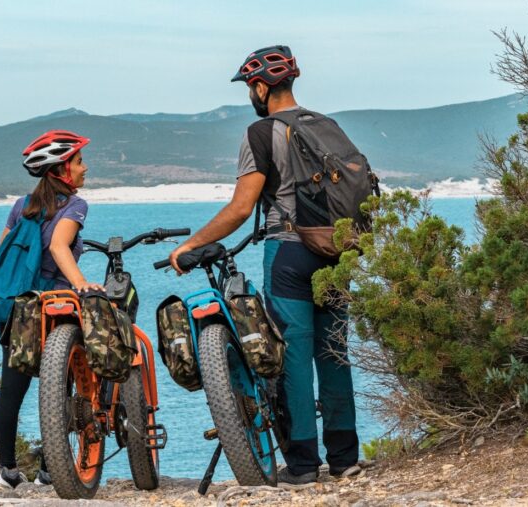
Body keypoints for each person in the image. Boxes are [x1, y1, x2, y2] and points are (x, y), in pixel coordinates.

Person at [167, 45, 360, 485]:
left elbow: (240, 209)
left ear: (259, 87)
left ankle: (304, 466)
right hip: (337, 253)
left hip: (290, 253)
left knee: (290, 357)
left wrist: (190, 246)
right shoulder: (327, 126)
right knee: (333, 355)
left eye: (250, 88)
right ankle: (345, 458)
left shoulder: (262, 133)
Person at [0, 130, 104, 488]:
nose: (85, 168)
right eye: (79, 162)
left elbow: (3, 252)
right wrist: (82, 284)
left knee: (12, 389)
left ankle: (6, 472)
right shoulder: (75, 205)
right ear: (61, 169)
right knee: (64, 387)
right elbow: (58, 246)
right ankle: (48, 470)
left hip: (18, 307)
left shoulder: (21, 205)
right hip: (54, 307)